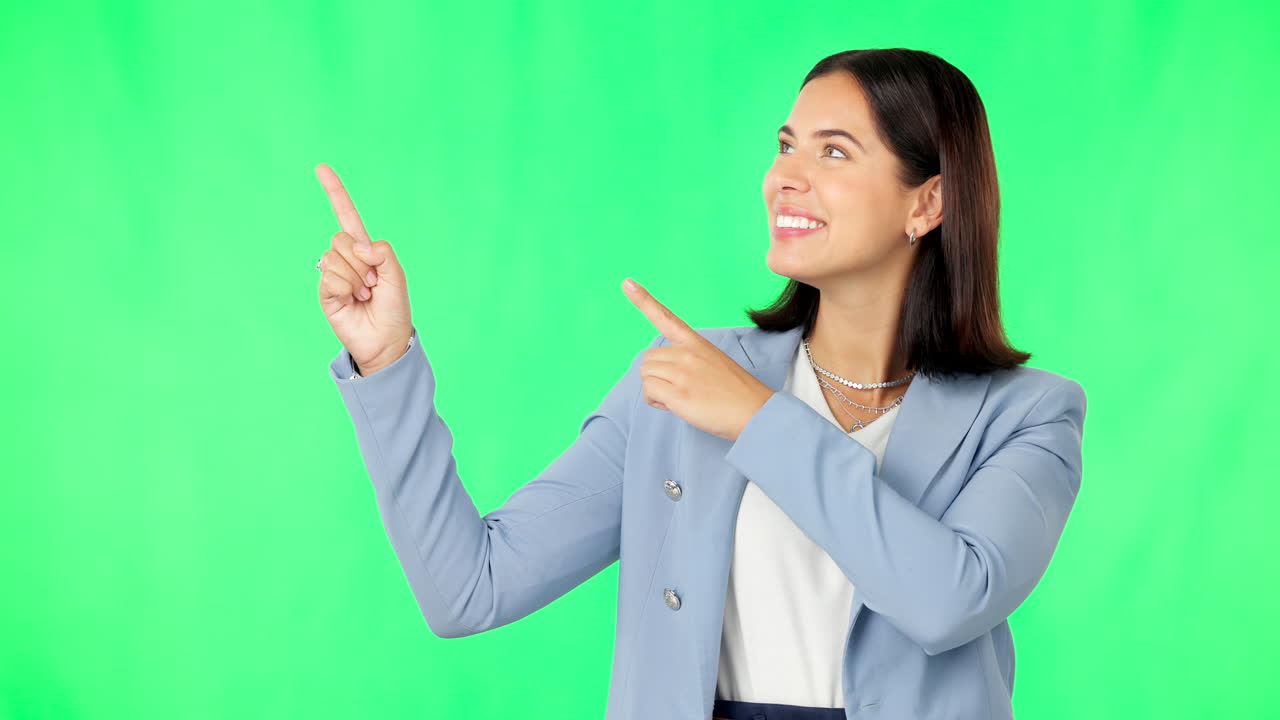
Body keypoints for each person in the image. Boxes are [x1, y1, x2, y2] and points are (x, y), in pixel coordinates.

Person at [314, 47, 1087, 720]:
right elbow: (469, 589)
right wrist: (387, 361)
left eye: (834, 153)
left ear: (928, 202)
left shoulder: (1030, 415)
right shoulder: (680, 381)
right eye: (785, 147)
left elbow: (947, 600)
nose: (785, 177)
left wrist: (760, 420)